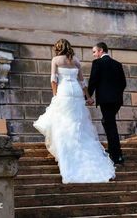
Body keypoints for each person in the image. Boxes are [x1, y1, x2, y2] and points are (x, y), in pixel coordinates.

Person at [33, 39, 115, 183]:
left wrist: (55, 95)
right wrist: (88, 97)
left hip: (64, 91)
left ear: (58, 48)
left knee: (64, 121)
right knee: (78, 122)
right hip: (76, 92)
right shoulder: (76, 60)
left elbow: (53, 79)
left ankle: (67, 153)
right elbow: (83, 82)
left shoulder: (56, 60)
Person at [88, 42, 126, 165]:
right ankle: (114, 150)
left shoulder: (97, 63)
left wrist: (87, 96)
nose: (94, 55)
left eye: (94, 52)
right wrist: (116, 94)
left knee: (110, 125)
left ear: (101, 50)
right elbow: (123, 83)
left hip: (105, 100)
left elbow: (93, 81)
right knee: (108, 122)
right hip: (116, 100)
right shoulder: (117, 64)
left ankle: (117, 155)